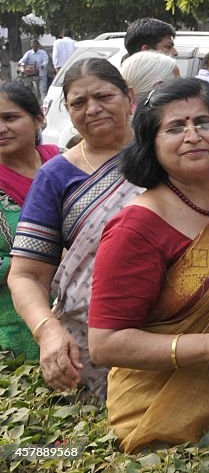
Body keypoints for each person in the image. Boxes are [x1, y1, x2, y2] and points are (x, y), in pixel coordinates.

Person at [87, 78, 209, 452]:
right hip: (160, 421)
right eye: (175, 127)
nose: (193, 135)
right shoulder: (136, 227)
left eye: (204, 123)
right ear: (151, 143)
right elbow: (105, 344)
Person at [9, 58, 141, 398]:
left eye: (104, 96)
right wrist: (48, 332)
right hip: (90, 342)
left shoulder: (164, 154)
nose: (93, 109)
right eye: (78, 103)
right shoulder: (56, 176)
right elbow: (26, 274)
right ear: (66, 111)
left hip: (175, 330)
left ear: (129, 97)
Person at [0, 82, 59, 359]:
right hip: (12, 332)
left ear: (39, 118)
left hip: (78, 314)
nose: (1, 128)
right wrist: (29, 261)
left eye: (10, 118)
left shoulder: (64, 165)